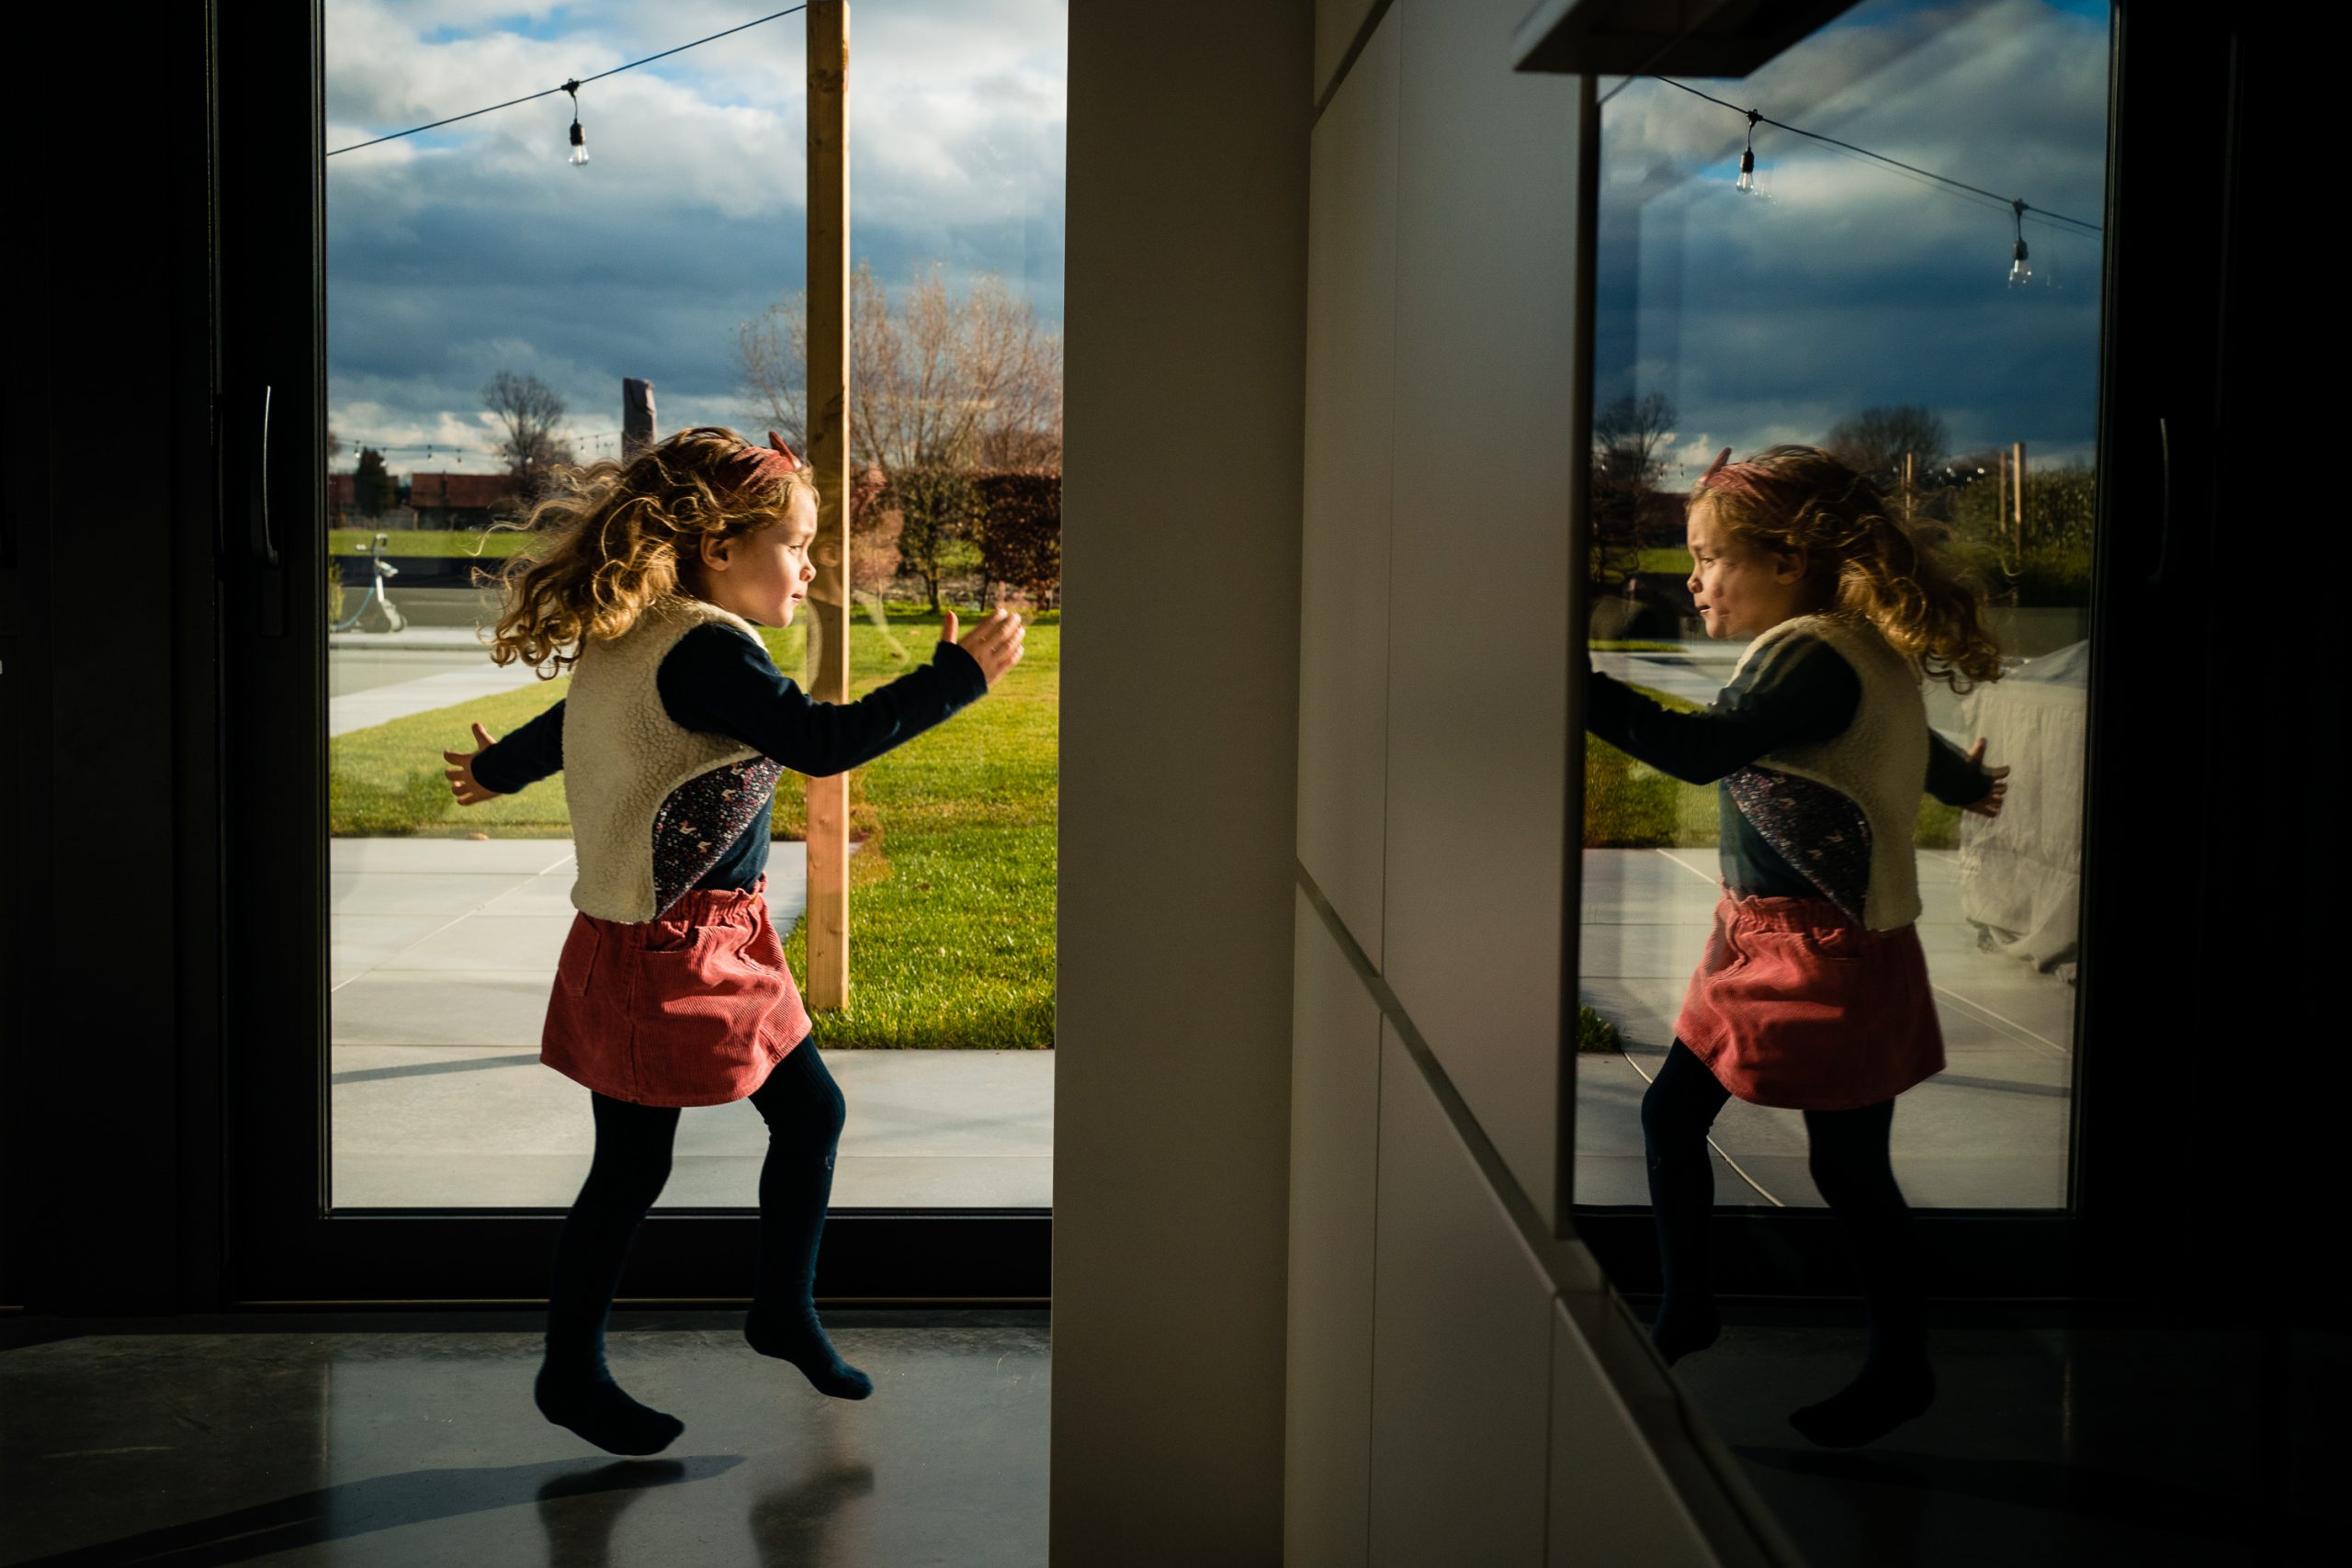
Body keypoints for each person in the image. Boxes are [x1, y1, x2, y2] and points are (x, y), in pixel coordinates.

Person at [439, 427, 1025, 1456]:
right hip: (658, 953)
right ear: (719, 546)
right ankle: (573, 1372)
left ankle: (778, 1310)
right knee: (631, 1171)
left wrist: (498, 774)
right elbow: (821, 742)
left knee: (808, 1116)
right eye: (796, 545)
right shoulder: (704, 649)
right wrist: (954, 678)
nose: (810, 567)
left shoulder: (645, 627)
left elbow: (573, 723)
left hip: (719, 938)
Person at [1584, 444, 2010, 1450]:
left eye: (1711, 557)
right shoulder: (1857, 650)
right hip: (1815, 942)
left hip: (1815, 954)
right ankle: (1874, 1357)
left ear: (1788, 562)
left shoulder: (1807, 654)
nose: (1692, 578)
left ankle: (1705, 1311)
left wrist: (1576, 685)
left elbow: (1698, 753)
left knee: (1703, 1124)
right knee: (1832, 1166)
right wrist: (1961, 785)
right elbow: (1905, 741)